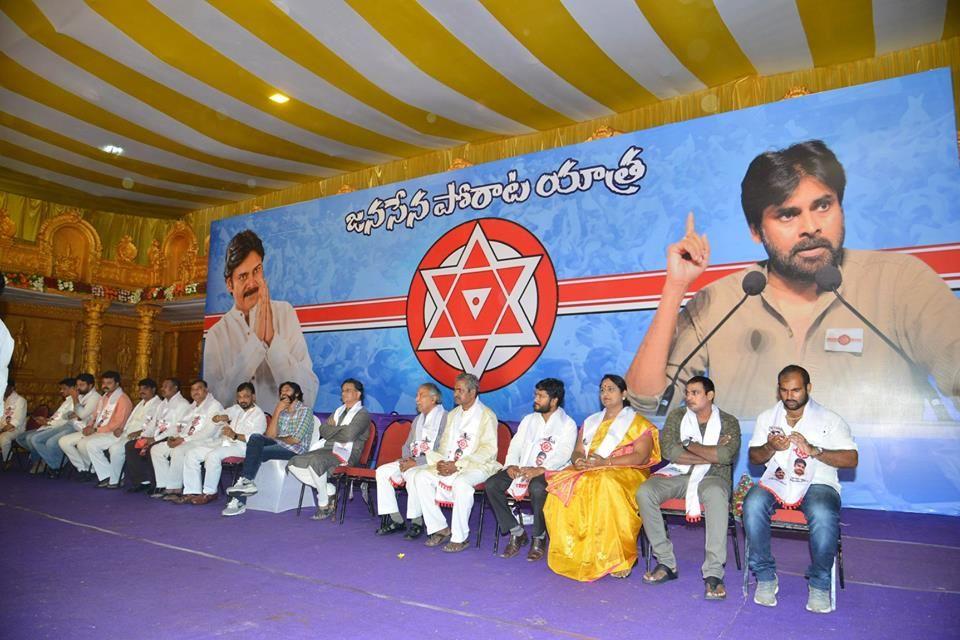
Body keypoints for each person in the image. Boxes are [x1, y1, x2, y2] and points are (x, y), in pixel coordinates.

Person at [625, 140, 960, 421]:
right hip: (752, 485)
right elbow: (648, 401)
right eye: (787, 214)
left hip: (880, 490)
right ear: (756, 231)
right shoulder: (722, 300)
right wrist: (675, 287)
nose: (811, 226)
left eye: (823, 205)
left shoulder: (899, 282)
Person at [743, 365, 858, 614]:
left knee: (823, 513)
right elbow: (754, 457)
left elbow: (852, 459)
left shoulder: (830, 419)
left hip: (819, 481)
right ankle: (764, 577)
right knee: (752, 504)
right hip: (778, 479)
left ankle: (819, 584)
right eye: (784, 390)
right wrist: (770, 447)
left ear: (808, 388)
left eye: (795, 390)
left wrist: (815, 450)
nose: (789, 396)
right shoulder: (767, 418)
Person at [543, 374, 661, 581]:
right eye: (602, 390)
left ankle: (618, 558)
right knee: (559, 488)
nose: (605, 394)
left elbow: (641, 457)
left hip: (626, 471)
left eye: (611, 389)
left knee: (606, 485)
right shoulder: (591, 422)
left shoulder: (638, 423)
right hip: (592, 468)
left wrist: (605, 463)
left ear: (623, 394)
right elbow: (578, 450)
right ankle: (576, 553)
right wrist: (579, 460)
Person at [637, 376, 741, 599]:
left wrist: (689, 445)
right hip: (679, 474)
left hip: (714, 478)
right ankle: (666, 562)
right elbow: (669, 452)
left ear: (710, 395)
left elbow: (725, 455)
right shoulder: (677, 416)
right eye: (687, 393)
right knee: (645, 491)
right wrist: (710, 452)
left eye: (695, 392)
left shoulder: (728, 421)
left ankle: (713, 573)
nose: (688, 397)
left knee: (715, 493)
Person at [203, 230, 319, 410]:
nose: (252, 283)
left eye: (256, 271)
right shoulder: (216, 335)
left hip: (282, 431)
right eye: (242, 276)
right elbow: (215, 404)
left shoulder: (285, 312)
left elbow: (309, 395)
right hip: (236, 432)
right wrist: (254, 345)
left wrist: (272, 341)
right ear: (229, 284)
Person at [484, 378, 577, 561]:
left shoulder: (568, 424)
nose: (536, 399)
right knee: (492, 484)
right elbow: (516, 445)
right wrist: (511, 465)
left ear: (554, 400)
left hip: (550, 471)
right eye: (536, 394)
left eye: (541, 396)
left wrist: (541, 469)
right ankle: (517, 531)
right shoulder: (529, 420)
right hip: (522, 468)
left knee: (537, 488)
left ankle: (539, 537)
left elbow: (564, 454)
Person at [413, 373, 500, 553]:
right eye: (455, 389)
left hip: (479, 466)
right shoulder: (453, 415)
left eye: (460, 390)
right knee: (421, 476)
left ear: (473, 391)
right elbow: (445, 446)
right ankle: (440, 528)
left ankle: (460, 538)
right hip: (452, 463)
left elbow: (488, 450)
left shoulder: (486, 415)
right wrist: (442, 463)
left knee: (462, 484)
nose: (455, 394)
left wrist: (458, 465)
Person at [222, 381, 315, 517]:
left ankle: (239, 498)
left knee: (256, 452)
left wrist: (278, 439)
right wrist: (277, 411)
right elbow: (270, 435)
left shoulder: (305, 411)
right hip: (278, 445)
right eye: (282, 391)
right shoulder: (281, 412)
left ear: (296, 394)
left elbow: (295, 439)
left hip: (295, 450)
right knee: (255, 438)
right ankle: (246, 483)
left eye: (287, 390)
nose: (283, 393)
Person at [287, 378, 371, 520]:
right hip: (327, 449)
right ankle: (329, 490)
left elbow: (348, 435)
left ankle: (323, 504)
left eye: (348, 390)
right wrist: (337, 430)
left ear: (358, 394)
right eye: (343, 391)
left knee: (315, 461)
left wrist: (332, 429)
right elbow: (323, 429)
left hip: (347, 454)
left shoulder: (362, 414)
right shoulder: (338, 411)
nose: (343, 394)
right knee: (294, 462)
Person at [374, 382, 447, 538]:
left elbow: (442, 451)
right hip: (412, 460)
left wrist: (415, 462)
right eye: (416, 395)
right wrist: (406, 460)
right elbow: (407, 445)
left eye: (421, 395)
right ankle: (396, 519)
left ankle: (416, 522)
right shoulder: (417, 420)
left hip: (431, 464)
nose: (416, 399)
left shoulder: (445, 418)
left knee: (413, 473)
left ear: (433, 399)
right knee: (382, 472)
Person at [180, 382, 266, 505]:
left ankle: (210, 493)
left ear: (253, 397)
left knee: (213, 455)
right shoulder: (237, 409)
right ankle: (192, 492)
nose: (242, 400)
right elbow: (222, 414)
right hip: (226, 443)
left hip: (243, 448)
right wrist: (219, 418)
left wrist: (234, 435)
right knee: (192, 453)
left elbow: (255, 440)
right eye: (239, 397)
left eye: (246, 396)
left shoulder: (259, 415)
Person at [149, 380, 223, 500]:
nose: (195, 392)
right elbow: (180, 425)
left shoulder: (214, 406)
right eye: (193, 389)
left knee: (179, 450)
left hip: (206, 442)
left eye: (198, 388)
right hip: (186, 439)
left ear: (206, 390)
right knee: (156, 449)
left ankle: (175, 488)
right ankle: (163, 485)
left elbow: (208, 432)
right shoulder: (192, 406)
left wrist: (183, 440)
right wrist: (174, 437)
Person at [87, 379, 161, 489]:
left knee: (116, 449)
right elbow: (130, 420)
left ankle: (115, 480)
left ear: (153, 390)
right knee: (91, 444)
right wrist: (121, 428)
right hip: (125, 433)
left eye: (145, 389)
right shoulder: (141, 403)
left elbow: (156, 425)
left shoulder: (158, 404)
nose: (141, 391)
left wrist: (139, 432)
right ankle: (106, 476)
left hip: (140, 436)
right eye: (140, 389)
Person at [59, 371, 132, 480]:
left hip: (111, 433)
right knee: (63, 441)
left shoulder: (123, 400)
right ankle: (86, 469)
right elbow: (95, 415)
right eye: (103, 383)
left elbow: (117, 423)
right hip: (96, 429)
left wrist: (95, 429)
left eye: (109, 383)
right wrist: (89, 426)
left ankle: (106, 475)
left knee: (85, 444)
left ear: (117, 384)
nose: (105, 386)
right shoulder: (104, 397)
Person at [123, 378, 190, 493]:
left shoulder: (182, 404)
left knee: (151, 448)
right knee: (131, 446)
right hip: (156, 435)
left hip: (171, 437)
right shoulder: (163, 403)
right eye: (162, 386)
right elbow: (153, 422)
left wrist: (154, 439)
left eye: (166, 386)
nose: (163, 389)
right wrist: (144, 436)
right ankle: (143, 481)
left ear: (175, 388)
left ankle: (158, 484)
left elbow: (175, 428)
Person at [32, 374, 99, 473]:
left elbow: (82, 415)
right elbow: (66, 415)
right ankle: (55, 464)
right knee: (35, 439)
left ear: (91, 385)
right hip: (70, 424)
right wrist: (72, 414)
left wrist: (75, 400)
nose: (78, 388)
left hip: (81, 428)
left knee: (51, 443)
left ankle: (56, 467)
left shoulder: (94, 397)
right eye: (77, 385)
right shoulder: (81, 395)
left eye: (82, 385)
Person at [18, 378, 76, 474]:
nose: (61, 391)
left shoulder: (74, 402)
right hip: (50, 425)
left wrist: (48, 423)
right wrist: (47, 420)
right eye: (61, 389)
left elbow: (65, 421)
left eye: (64, 389)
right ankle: (44, 457)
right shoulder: (66, 401)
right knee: (20, 438)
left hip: (57, 428)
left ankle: (46, 463)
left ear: (73, 388)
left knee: (31, 439)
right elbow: (57, 417)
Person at [0, 379, 28, 464]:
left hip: (15, 429)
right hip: (2, 426)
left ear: (11, 388)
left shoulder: (20, 400)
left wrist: (1, 430)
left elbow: (16, 421)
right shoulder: (2, 399)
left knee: (4, 438)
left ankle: (7, 460)